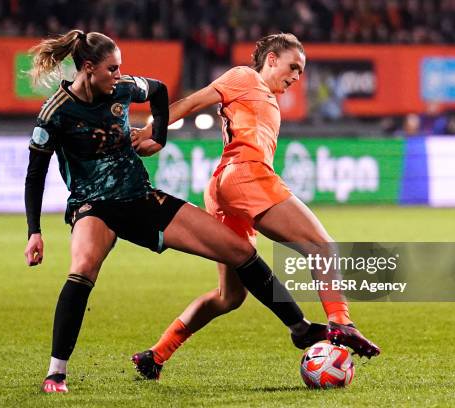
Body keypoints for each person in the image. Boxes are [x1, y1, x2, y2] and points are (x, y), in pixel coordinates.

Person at [24, 30, 328, 393]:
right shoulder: (55, 113)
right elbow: (35, 174)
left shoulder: (123, 88)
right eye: (112, 69)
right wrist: (34, 231)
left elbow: (159, 91)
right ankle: (56, 372)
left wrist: (158, 137)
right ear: (88, 68)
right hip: (93, 206)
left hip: (141, 198)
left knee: (242, 251)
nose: (120, 76)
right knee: (84, 268)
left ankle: (299, 327)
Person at [131, 33, 380, 379]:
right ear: (272, 59)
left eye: (301, 72)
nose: (296, 76)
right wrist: (151, 129)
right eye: (293, 66)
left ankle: (155, 355)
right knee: (322, 247)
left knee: (228, 297)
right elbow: (191, 103)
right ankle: (341, 322)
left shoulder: (267, 99)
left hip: (224, 190)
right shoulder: (245, 77)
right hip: (245, 175)